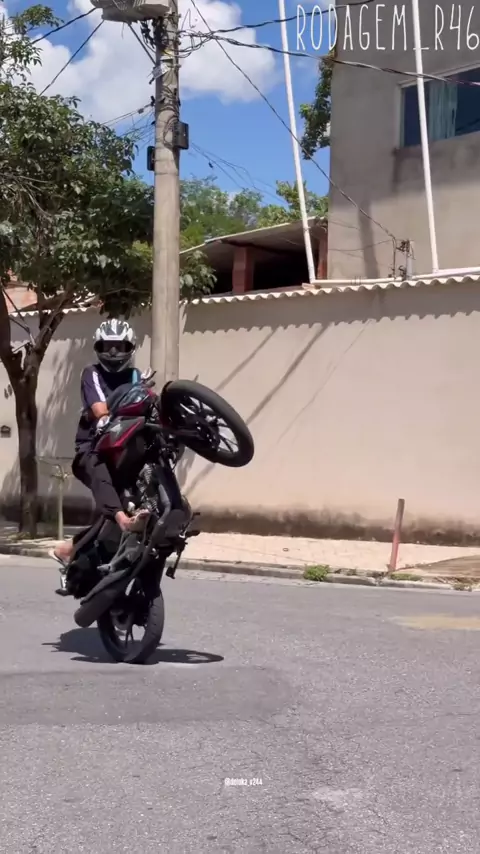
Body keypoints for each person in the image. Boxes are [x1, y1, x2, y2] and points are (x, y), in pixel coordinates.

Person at [51, 319, 148, 567]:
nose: (113, 353)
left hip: (122, 450)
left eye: (119, 346)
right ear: (98, 348)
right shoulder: (91, 373)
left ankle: (70, 549)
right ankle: (123, 521)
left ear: (130, 348)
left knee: (129, 497)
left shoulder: (135, 375)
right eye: (107, 346)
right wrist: (109, 415)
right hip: (92, 448)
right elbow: (99, 409)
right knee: (101, 474)